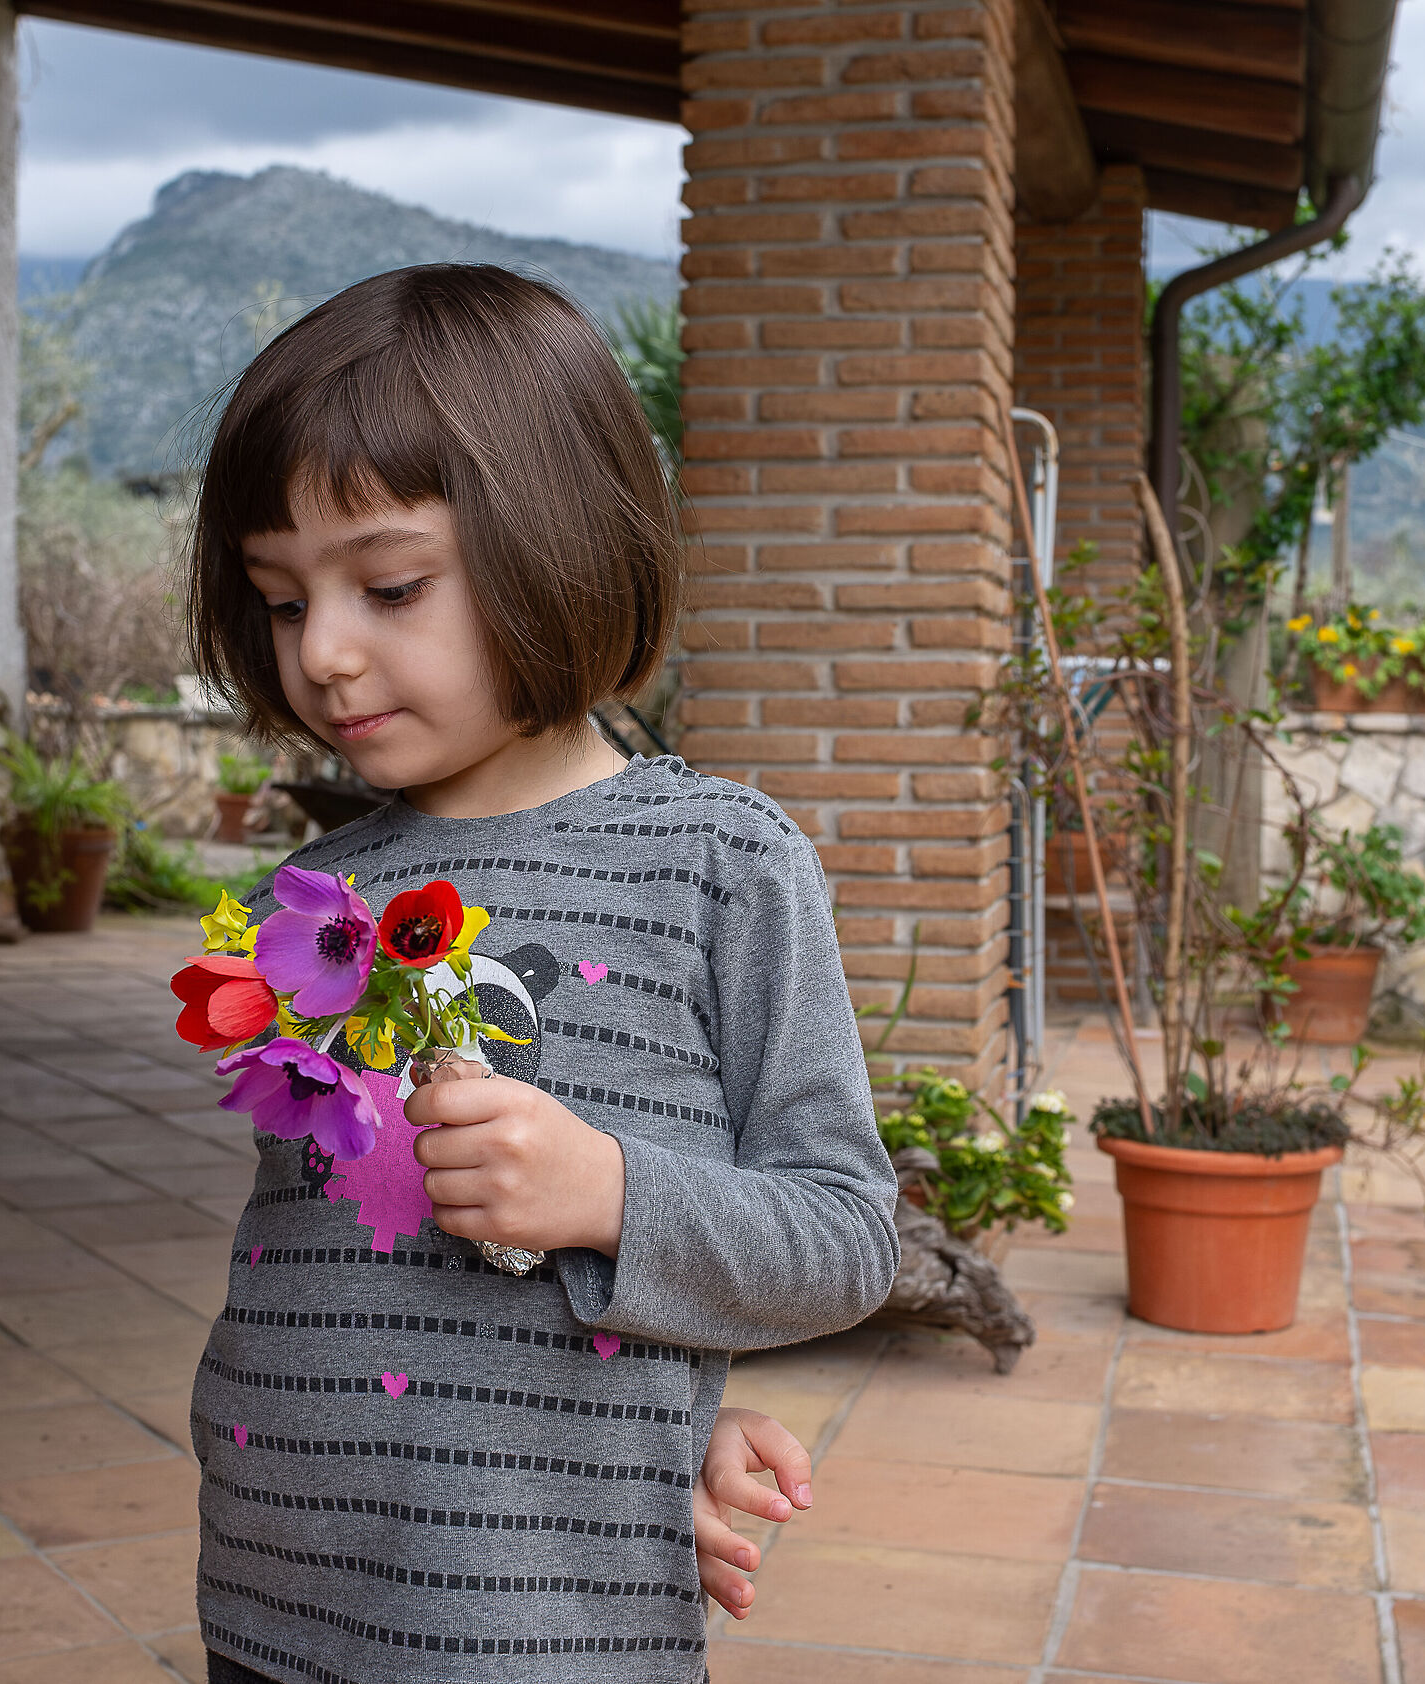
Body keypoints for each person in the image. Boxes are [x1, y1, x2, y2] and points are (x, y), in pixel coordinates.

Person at [181, 264, 899, 1683]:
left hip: (542, 1630)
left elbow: (844, 1234)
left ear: (558, 542)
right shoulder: (309, 909)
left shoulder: (717, 864)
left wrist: (608, 1195)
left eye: (388, 585)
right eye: (279, 600)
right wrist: (671, 1422)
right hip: (272, 1592)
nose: (323, 651)